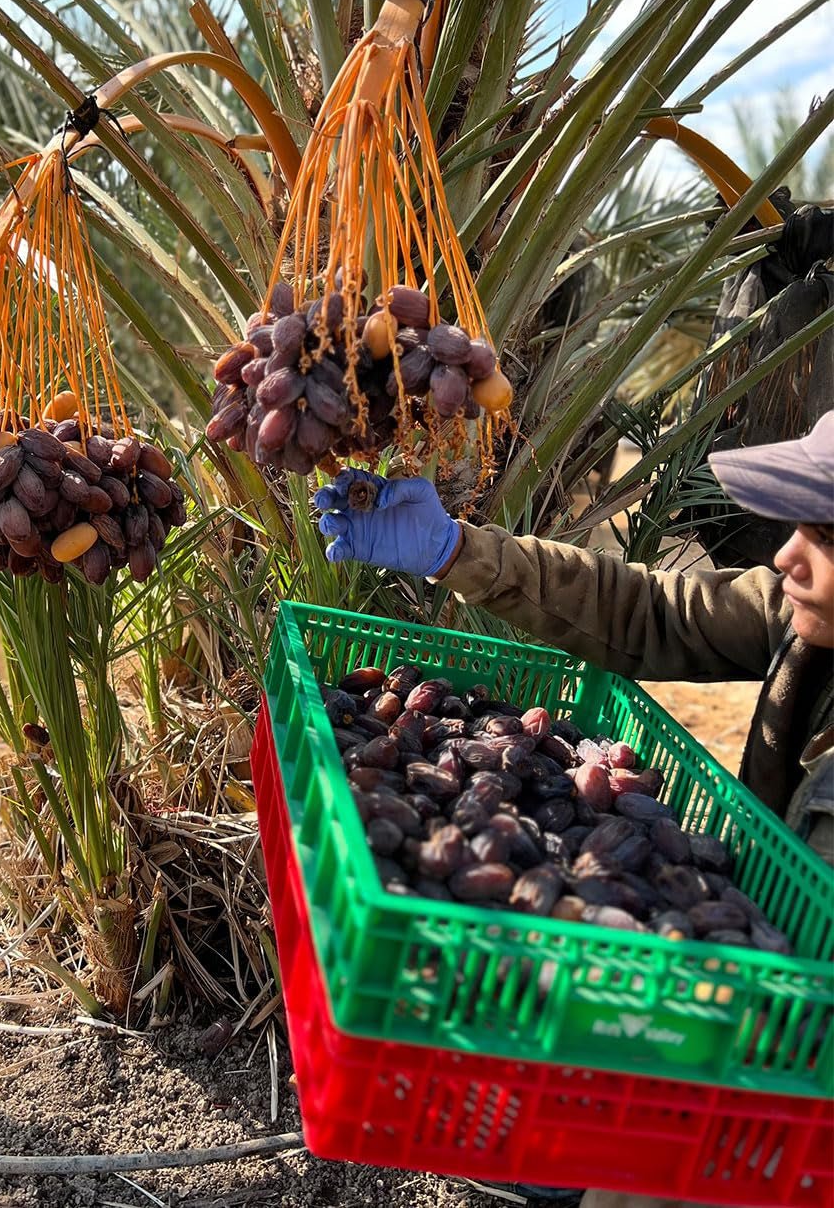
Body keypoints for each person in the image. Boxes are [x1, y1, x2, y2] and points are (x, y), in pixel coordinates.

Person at [315, 413, 834, 1208]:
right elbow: (653, 612)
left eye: (824, 539)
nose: (785, 555)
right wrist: (458, 550)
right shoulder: (808, 622)